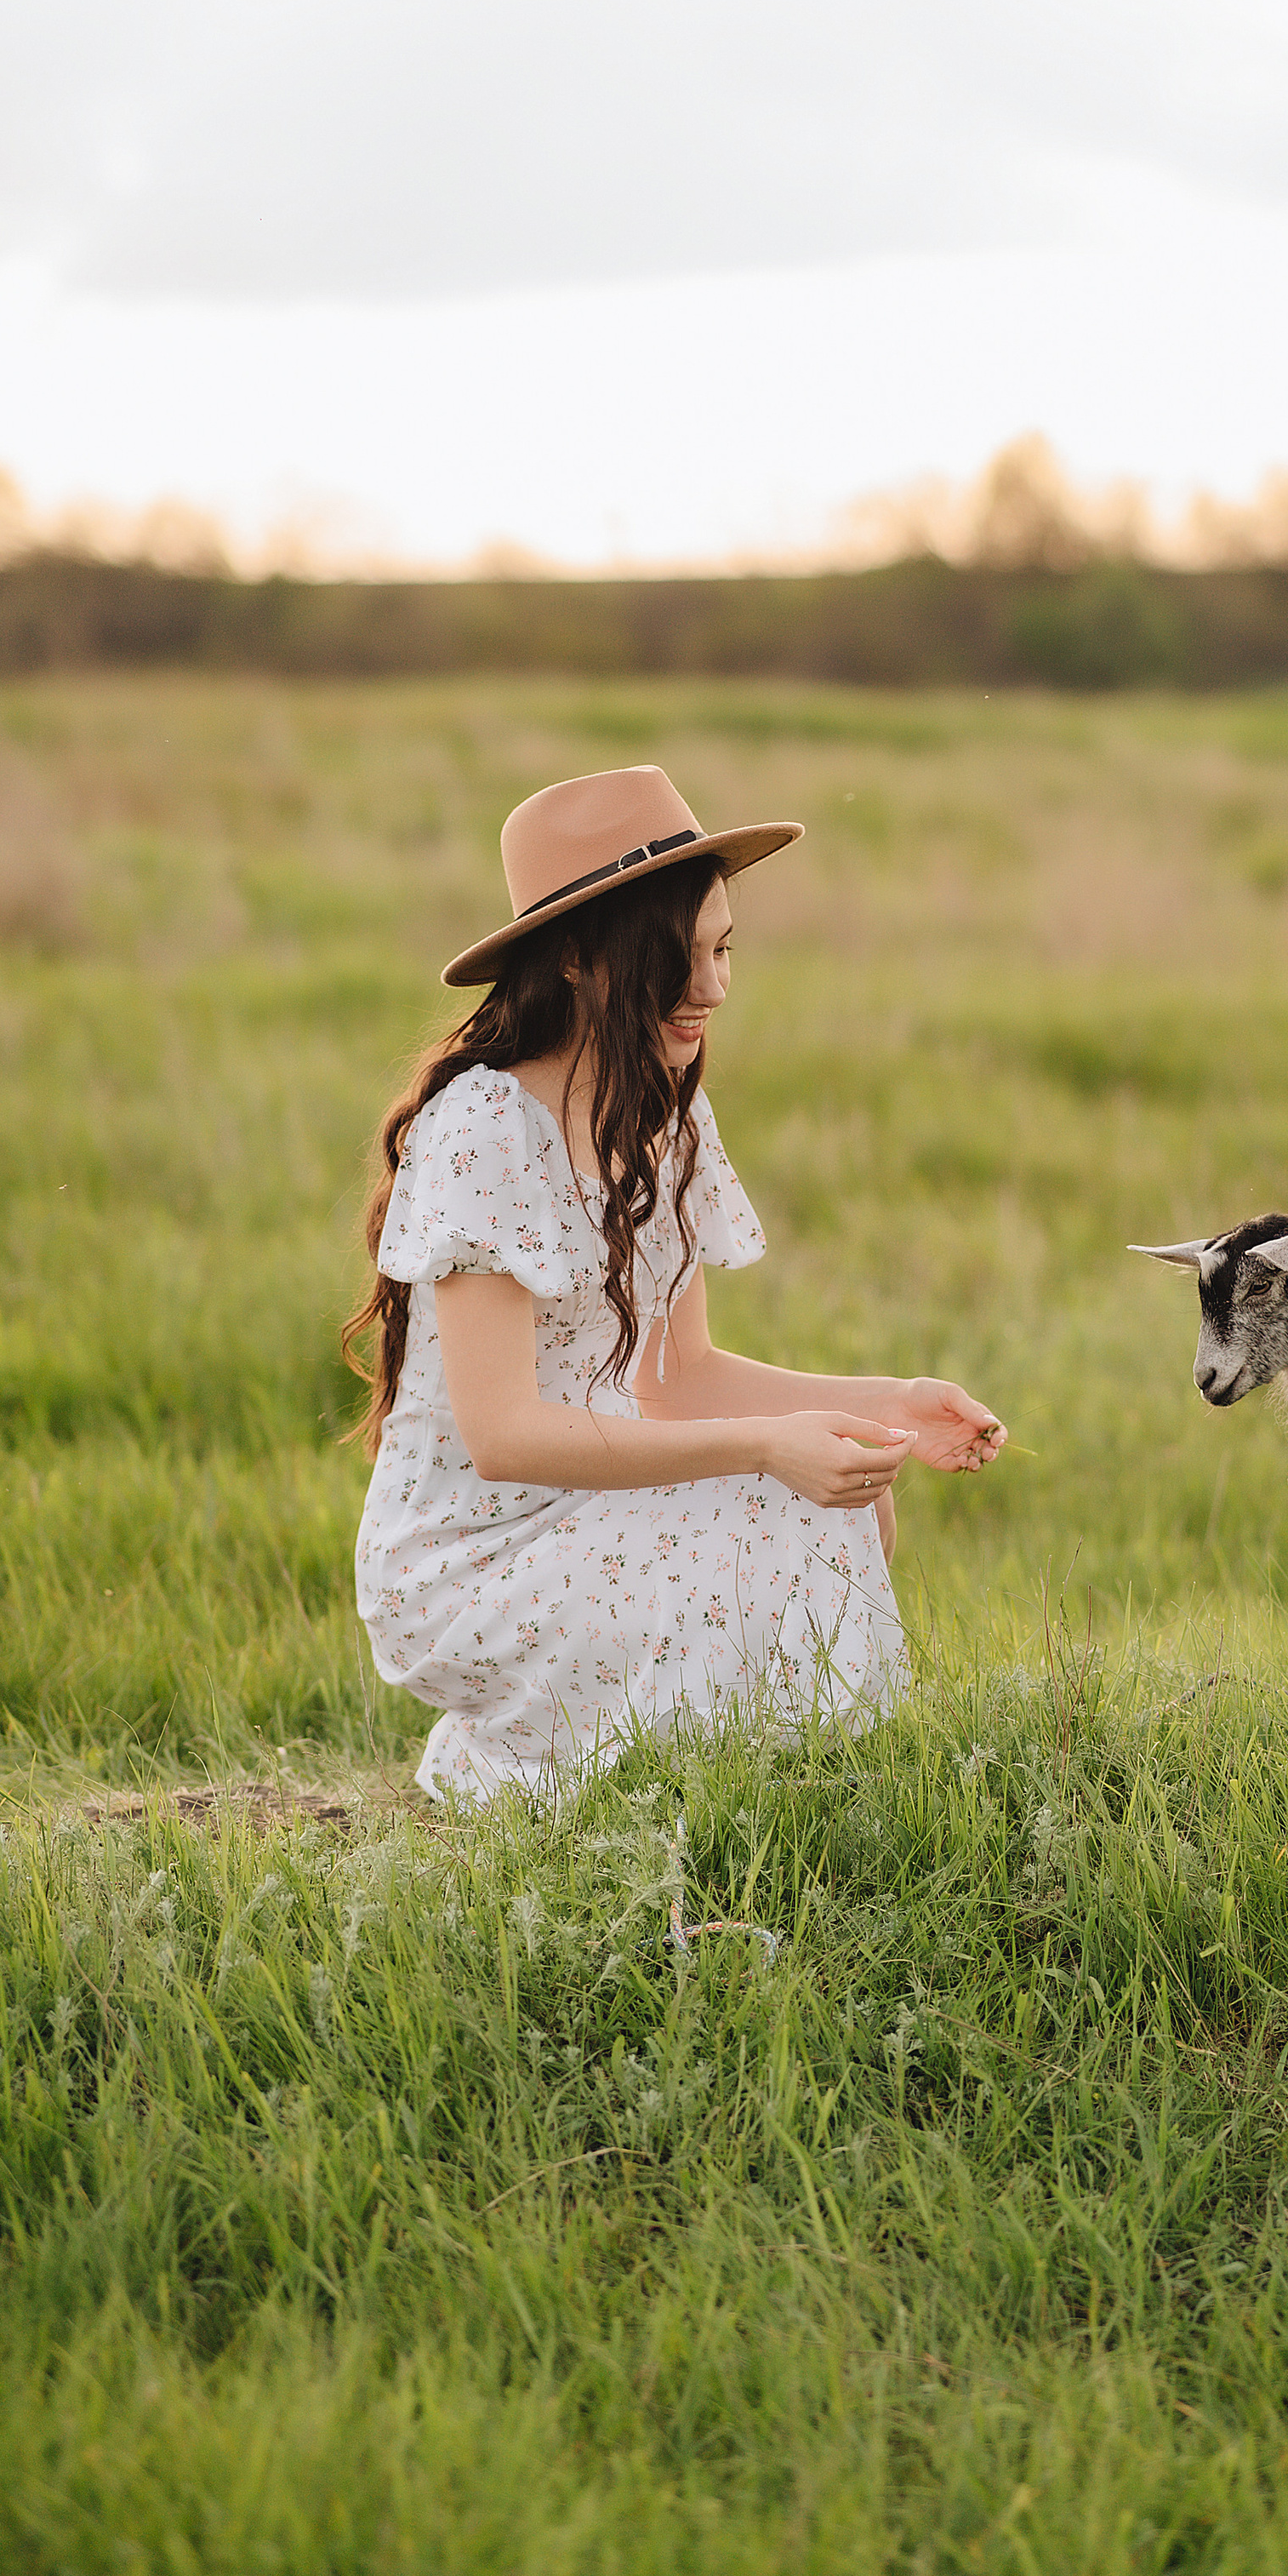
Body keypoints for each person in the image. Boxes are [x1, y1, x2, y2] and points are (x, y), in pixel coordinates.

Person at [348, 763, 1006, 1800]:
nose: (712, 989)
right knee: (784, 1504)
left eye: (722, 949)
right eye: (676, 957)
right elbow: (504, 1436)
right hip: (471, 1558)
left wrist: (882, 1404)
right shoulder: (482, 1130)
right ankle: (557, 1769)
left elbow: (681, 1372)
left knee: (840, 1508)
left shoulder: (661, 1113)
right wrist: (764, 1448)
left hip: (590, 1515)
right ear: (573, 957)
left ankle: (743, 1796)